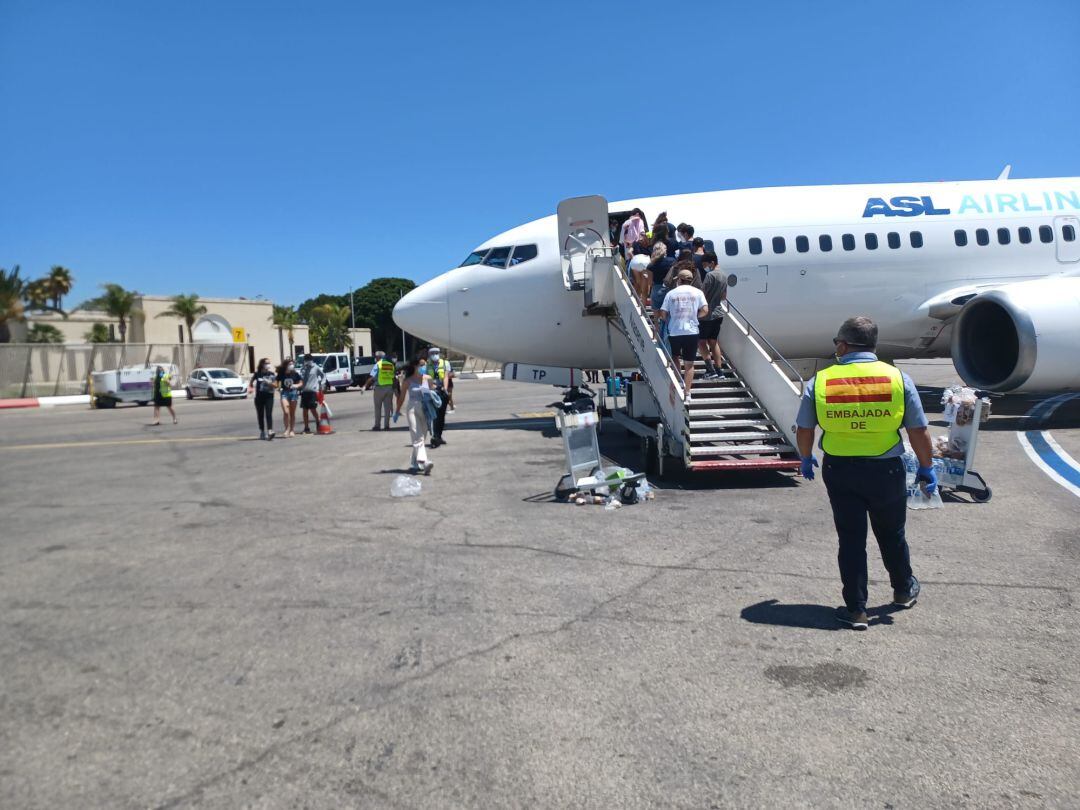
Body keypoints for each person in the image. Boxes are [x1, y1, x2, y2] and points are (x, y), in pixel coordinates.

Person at [795, 316, 935, 631]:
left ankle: (856, 609)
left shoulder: (821, 380)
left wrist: (806, 457)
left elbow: (804, 427)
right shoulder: (898, 378)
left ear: (843, 345)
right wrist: (927, 467)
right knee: (892, 534)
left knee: (851, 539)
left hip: (840, 468)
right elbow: (919, 430)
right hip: (886, 470)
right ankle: (902, 590)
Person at [659, 269, 708, 404]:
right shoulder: (698, 293)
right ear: (691, 280)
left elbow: (663, 313)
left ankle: (676, 385)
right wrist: (694, 317)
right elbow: (705, 310)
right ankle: (687, 393)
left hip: (675, 330)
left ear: (679, 280)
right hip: (692, 331)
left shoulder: (671, 293)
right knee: (689, 364)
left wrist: (669, 320)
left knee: (675, 357)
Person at [393, 359, 435, 475]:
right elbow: (401, 397)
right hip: (412, 408)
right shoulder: (408, 381)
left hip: (425, 409)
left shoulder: (427, 378)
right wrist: (397, 411)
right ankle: (425, 462)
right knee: (417, 435)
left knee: (423, 435)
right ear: (415, 366)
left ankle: (414, 462)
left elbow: (432, 394)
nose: (423, 367)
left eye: (424, 365)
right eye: (421, 365)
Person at [697, 253, 727, 379]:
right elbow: (724, 297)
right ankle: (719, 371)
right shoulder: (724, 275)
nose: (705, 268)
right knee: (714, 342)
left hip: (706, 315)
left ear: (712, 262)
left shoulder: (710, 275)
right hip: (718, 313)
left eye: (705, 265)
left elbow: (702, 294)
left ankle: (710, 369)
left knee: (701, 341)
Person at [426, 347, 453, 447]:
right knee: (434, 415)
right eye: (432, 353)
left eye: (436, 353)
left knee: (441, 416)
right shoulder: (426, 365)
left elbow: (446, 376)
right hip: (432, 392)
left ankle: (439, 436)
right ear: (429, 355)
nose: (434, 354)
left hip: (442, 391)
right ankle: (434, 437)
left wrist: (445, 389)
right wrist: (432, 387)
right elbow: (426, 379)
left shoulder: (445, 363)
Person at [364, 350, 397, 431]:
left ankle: (377, 426)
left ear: (379, 357)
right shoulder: (390, 365)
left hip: (379, 388)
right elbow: (393, 378)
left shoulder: (378, 365)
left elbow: (372, 377)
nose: (375, 358)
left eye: (376, 357)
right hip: (389, 388)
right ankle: (386, 426)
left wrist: (365, 386)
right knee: (387, 409)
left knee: (378, 408)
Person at [248, 357, 278, 440]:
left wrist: (270, 383)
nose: (268, 365)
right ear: (262, 364)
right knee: (260, 415)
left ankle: (270, 431)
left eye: (269, 363)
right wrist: (250, 388)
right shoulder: (257, 374)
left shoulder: (271, 374)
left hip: (269, 397)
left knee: (268, 414)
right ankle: (262, 431)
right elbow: (251, 382)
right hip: (259, 398)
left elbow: (276, 385)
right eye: (266, 363)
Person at [299, 353, 325, 435]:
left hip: (313, 391)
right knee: (304, 410)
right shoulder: (303, 368)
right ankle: (306, 427)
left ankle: (318, 422)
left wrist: (321, 384)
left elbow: (323, 375)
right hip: (304, 392)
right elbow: (301, 379)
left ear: (311, 360)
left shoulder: (316, 367)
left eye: (308, 360)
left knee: (313, 409)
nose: (307, 362)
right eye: (306, 360)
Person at [647, 242, 675, 312]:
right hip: (669, 289)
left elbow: (650, 282)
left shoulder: (651, 265)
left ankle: (656, 323)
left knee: (656, 313)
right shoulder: (672, 261)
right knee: (668, 312)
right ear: (665, 250)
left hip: (656, 289)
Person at [277, 358, 302, 437]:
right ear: (286, 365)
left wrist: (296, 385)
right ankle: (286, 429)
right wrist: (279, 387)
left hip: (293, 393)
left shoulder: (295, 374)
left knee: (292, 413)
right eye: (290, 364)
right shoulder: (281, 373)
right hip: (284, 393)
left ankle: (291, 430)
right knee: (286, 412)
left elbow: (301, 382)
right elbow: (277, 382)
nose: (291, 365)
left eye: (292, 364)